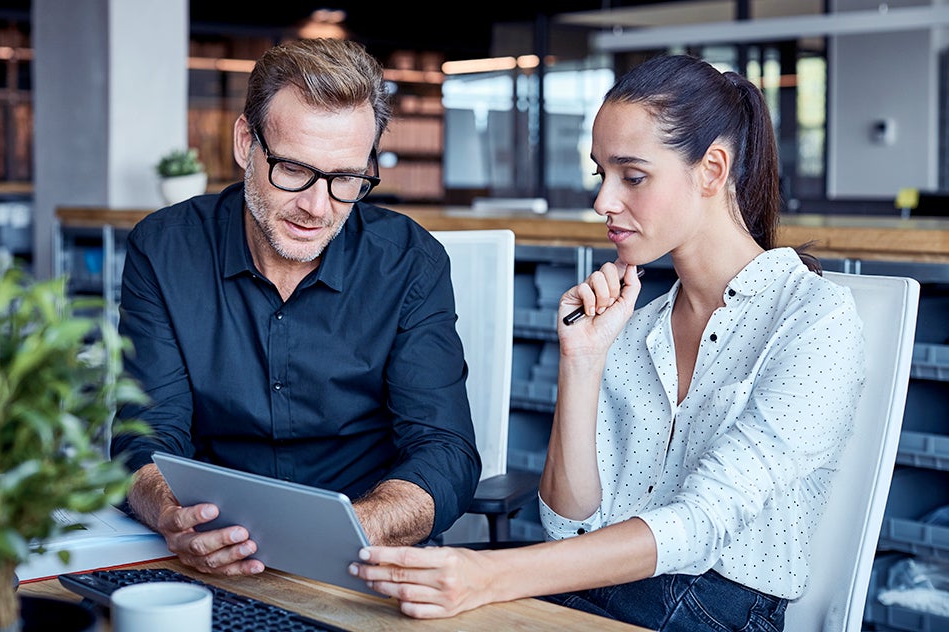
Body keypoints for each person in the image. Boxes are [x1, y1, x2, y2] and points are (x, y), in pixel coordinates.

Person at [350, 53, 865, 631]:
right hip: (608, 590)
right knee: (390, 606)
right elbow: (568, 527)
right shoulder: (636, 326)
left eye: (633, 176)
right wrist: (583, 361)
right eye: (602, 174)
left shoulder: (815, 318)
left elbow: (702, 525)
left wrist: (490, 576)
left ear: (713, 170)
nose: (603, 202)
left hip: (716, 610)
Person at [111, 37, 481, 579]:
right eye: (292, 170)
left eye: (345, 179)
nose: (316, 206)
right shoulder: (164, 250)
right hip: (210, 554)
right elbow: (145, 435)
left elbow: (444, 452)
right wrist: (173, 515)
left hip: (365, 557)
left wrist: (353, 529)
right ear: (245, 143)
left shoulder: (410, 263)